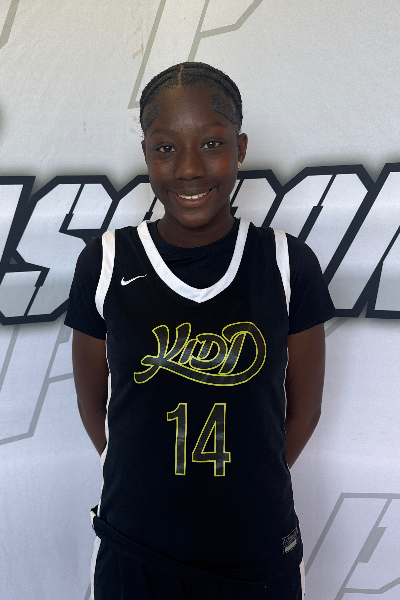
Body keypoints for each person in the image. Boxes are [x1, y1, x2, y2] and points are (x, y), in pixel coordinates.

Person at [66, 62, 335, 600]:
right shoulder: (106, 261)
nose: (189, 168)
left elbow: (304, 411)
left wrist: (243, 487)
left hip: (255, 551)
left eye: (212, 144)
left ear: (240, 148)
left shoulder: (287, 263)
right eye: (166, 148)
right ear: (147, 153)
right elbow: (93, 405)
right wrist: (146, 484)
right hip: (135, 547)